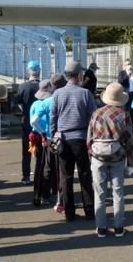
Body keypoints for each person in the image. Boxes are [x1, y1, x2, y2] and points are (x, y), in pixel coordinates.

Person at [87, 82, 133, 238]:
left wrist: (91, 155)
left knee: (99, 194)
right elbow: (129, 141)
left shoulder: (96, 114)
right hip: (118, 157)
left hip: (98, 157)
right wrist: (131, 164)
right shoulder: (124, 115)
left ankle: (101, 228)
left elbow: (89, 138)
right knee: (118, 193)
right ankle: (119, 228)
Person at [50, 61, 96, 222]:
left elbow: (53, 118)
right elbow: (92, 118)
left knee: (66, 176)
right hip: (81, 137)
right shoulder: (86, 94)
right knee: (85, 174)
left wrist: (52, 137)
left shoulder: (57, 94)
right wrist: (92, 139)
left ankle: (69, 212)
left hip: (62, 138)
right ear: (79, 75)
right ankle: (89, 211)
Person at [32, 74, 67, 208]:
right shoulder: (67, 98)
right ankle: (63, 198)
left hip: (50, 138)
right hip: (66, 137)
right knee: (64, 169)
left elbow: (33, 121)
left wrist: (42, 132)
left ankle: (45, 196)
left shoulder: (46, 102)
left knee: (48, 167)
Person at [16, 60, 41, 185]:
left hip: (27, 121)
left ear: (28, 72)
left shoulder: (23, 86)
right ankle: (41, 174)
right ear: (39, 72)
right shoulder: (44, 86)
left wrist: (27, 111)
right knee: (41, 149)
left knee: (26, 149)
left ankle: (26, 176)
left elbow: (19, 103)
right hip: (42, 122)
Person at [29, 79, 52, 205]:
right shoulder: (52, 102)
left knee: (39, 165)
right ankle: (47, 193)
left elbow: (31, 121)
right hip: (48, 136)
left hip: (37, 136)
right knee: (50, 167)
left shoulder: (34, 104)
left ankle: (36, 192)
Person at [117, 58, 133, 132]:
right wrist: (127, 75)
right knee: (124, 111)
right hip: (125, 94)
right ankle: (123, 128)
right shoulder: (122, 73)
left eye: (130, 64)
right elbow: (120, 81)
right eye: (128, 64)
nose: (129, 66)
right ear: (124, 66)